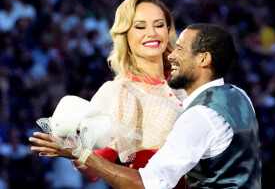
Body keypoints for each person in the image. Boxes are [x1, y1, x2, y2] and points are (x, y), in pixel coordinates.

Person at [30, 23, 262, 188]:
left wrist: (80, 154)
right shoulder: (239, 96)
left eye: (180, 49)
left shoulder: (199, 117)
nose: (171, 55)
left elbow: (147, 185)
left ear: (204, 59)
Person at [31, 0, 186, 186]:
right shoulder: (121, 92)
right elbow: (96, 169)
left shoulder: (187, 82)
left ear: (168, 29)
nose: (152, 33)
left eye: (159, 25)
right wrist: (75, 151)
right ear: (125, 35)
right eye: (140, 26)